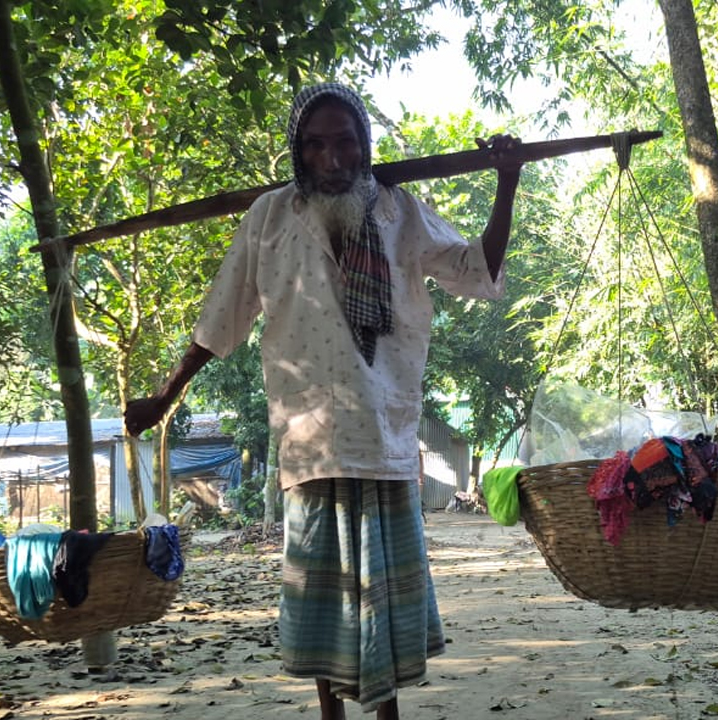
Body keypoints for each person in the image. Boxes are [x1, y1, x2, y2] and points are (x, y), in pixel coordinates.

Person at [124, 82, 522, 720]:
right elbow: (223, 314)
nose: (332, 158)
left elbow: (479, 269)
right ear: (298, 152)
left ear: (365, 146)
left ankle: (386, 713)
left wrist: (507, 182)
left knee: (382, 601)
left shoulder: (399, 212)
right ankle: (331, 714)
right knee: (321, 600)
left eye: (345, 142)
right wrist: (165, 396)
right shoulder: (271, 217)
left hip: (382, 435)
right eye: (317, 145)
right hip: (308, 439)